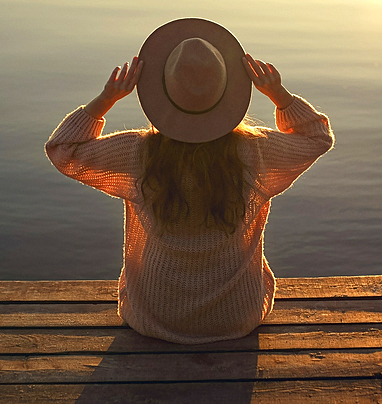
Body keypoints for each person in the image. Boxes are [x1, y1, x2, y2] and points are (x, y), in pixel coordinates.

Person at [46, 18, 333, 344]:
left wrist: (106, 99)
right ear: (229, 91)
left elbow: (62, 149)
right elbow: (317, 137)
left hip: (154, 316)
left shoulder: (138, 154)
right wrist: (279, 94)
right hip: (237, 316)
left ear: (162, 92)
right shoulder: (255, 153)